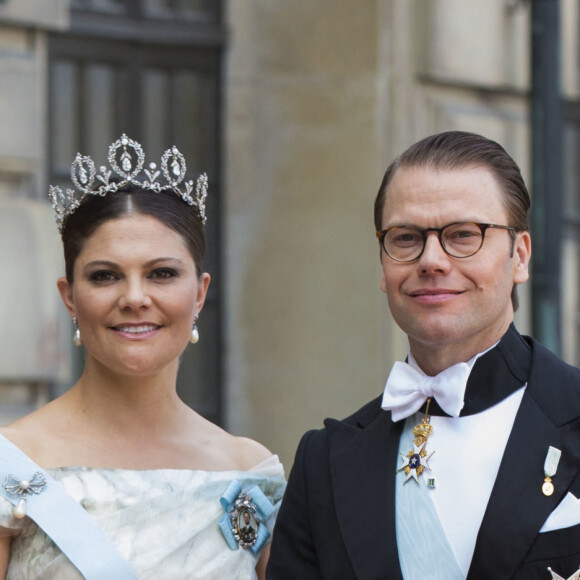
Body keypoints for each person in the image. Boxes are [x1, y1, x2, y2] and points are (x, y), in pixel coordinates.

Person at [267, 131, 580, 579]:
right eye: (407, 237)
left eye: (463, 234)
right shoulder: (326, 465)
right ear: (383, 264)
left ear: (520, 257)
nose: (431, 260)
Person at [0, 135, 285, 579]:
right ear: (70, 296)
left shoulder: (249, 470)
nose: (135, 297)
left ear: (200, 293)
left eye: (162, 274)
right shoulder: (11, 464)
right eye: (105, 276)